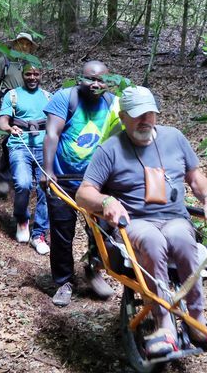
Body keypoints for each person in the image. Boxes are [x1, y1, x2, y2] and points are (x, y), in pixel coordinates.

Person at [76, 86, 207, 357]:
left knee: (184, 239)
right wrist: (106, 202)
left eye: (150, 113)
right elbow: (84, 192)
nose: (146, 120)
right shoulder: (110, 149)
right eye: (138, 115)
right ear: (123, 116)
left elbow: (195, 176)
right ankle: (165, 324)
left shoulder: (174, 138)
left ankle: (197, 321)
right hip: (136, 222)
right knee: (152, 241)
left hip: (174, 218)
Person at [43, 60, 122, 307]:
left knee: (103, 228)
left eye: (101, 80)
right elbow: (52, 133)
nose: (96, 84)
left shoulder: (112, 103)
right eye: (91, 78)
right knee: (62, 232)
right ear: (80, 79)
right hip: (63, 178)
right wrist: (48, 171)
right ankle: (64, 282)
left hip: (96, 182)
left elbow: (118, 140)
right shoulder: (64, 98)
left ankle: (94, 268)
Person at [0, 63, 51, 255]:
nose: (32, 77)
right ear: (23, 75)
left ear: (41, 75)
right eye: (29, 74)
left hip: (44, 147)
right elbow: (2, 119)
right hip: (19, 145)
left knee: (46, 188)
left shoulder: (47, 96)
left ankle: (39, 234)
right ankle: (22, 219)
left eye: (36, 74)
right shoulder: (12, 95)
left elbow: (57, 120)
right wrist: (10, 128)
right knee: (23, 183)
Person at [0, 32, 37, 197]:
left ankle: (22, 179)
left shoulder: (31, 64)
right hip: (9, 107)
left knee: (27, 142)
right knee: (10, 141)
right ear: (15, 44)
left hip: (28, 108)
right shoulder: (4, 61)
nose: (24, 46)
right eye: (21, 43)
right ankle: (4, 184)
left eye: (27, 44)